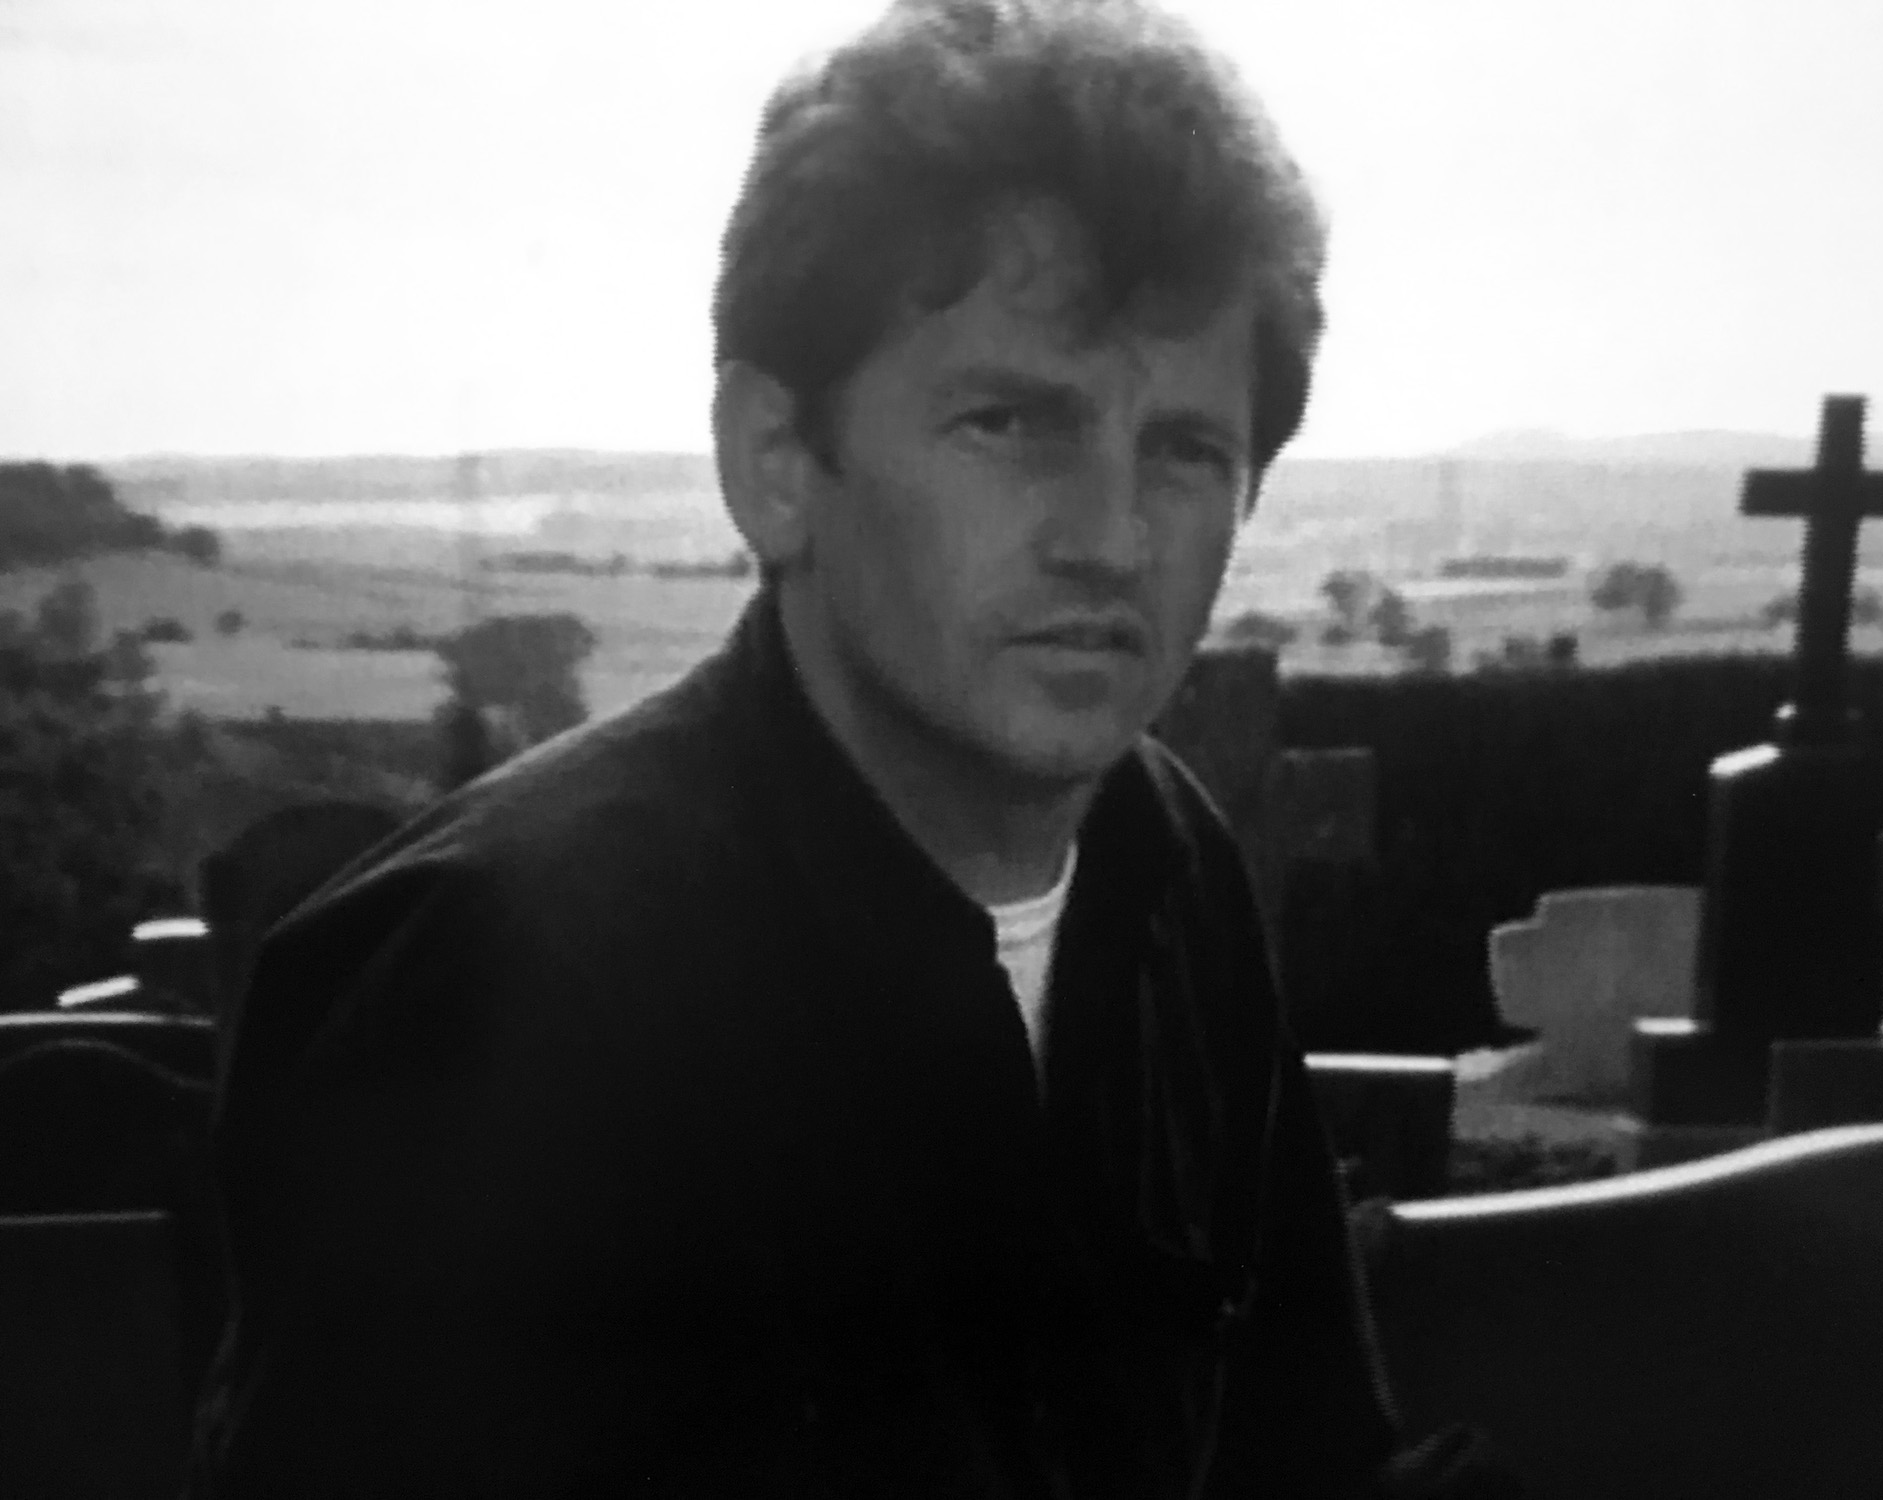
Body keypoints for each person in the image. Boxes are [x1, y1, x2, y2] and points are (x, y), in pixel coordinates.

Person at [196, 1, 1515, 1494]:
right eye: (1010, 423)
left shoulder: (1168, 870)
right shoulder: (487, 981)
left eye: (1186, 451)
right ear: (774, 463)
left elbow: (1311, 1459)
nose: (1112, 538)